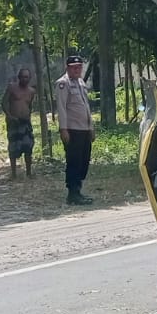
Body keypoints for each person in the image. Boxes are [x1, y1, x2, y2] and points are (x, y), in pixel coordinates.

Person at [55, 53, 95, 204]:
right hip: (72, 129)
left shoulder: (81, 83)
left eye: (79, 67)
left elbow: (86, 107)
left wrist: (91, 127)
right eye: (74, 68)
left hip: (84, 129)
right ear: (67, 68)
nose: (77, 70)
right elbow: (62, 107)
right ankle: (72, 193)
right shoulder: (63, 84)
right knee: (74, 161)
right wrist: (63, 129)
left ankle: (78, 189)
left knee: (84, 161)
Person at [2, 67, 38, 179]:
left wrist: (28, 117)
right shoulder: (12, 88)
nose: (24, 79)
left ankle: (28, 172)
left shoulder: (31, 91)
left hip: (25, 122)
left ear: (30, 78)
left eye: (27, 77)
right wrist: (9, 116)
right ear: (19, 77)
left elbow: (30, 106)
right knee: (13, 147)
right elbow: (4, 103)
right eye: (22, 77)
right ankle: (13, 174)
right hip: (14, 122)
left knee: (28, 146)